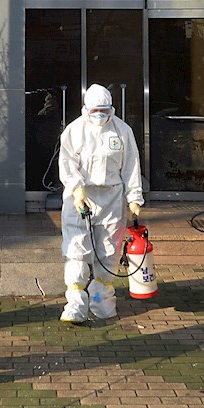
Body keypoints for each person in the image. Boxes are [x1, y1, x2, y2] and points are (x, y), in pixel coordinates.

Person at [57, 84, 143, 324]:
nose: (100, 115)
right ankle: (75, 303)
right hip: (81, 197)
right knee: (76, 249)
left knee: (108, 251)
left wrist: (134, 197)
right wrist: (76, 190)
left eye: (104, 110)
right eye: (95, 110)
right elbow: (66, 163)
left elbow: (131, 165)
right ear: (86, 109)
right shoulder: (75, 131)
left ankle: (101, 299)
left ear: (111, 109)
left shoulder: (122, 131)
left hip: (112, 197)